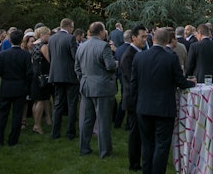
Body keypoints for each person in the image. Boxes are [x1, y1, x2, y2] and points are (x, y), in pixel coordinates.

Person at [131, 27, 196, 174]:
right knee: (161, 145)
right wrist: (193, 83)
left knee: (147, 144)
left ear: (152, 39)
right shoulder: (171, 58)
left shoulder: (139, 57)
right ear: (167, 41)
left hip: (144, 107)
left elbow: (133, 84)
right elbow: (181, 81)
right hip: (163, 108)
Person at [74, 21, 117, 158]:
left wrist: (84, 78)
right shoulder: (104, 46)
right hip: (102, 87)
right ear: (101, 32)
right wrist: (117, 63)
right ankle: (105, 151)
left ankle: (84, 148)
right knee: (103, 120)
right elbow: (110, 66)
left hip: (86, 85)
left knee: (86, 120)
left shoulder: (81, 46)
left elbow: (77, 68)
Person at [0, 29, 32, 146]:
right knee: (17, 115)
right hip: (20, 87)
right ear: (21, 41)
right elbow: (29, 73)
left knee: (2, 113)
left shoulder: (3, 54)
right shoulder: (25, 55)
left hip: (6, 86)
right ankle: (13, 140)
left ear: (10, 40)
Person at [120, 25, 148, 171]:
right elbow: (130, 82)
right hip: (133, 100)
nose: (145, 39)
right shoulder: (129, 56)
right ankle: (134, 163)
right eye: (142, 37)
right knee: (135, 134)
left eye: (146, 36)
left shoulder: (139, 53)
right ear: (133, 38)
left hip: (139, 99)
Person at [48, 18, 80, 141]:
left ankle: (55, 132)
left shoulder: (51, 39)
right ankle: (70, 132)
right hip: (70, 75)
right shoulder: (70, 39)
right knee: (72, 104)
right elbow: (75, 57)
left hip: (56, 75)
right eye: (72, 27)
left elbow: (51, 57)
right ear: (69, 27)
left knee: (58, 104)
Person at [29, 26, 52, 134]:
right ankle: (37, 125)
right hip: (42, 76)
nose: (49, 36)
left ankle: (36, 123)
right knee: (41, 101)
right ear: (43, 35)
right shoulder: (43, 46)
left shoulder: (33, 45)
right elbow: (50, 60)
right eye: (48, 34)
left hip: (35, 74)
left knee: (36, 101)